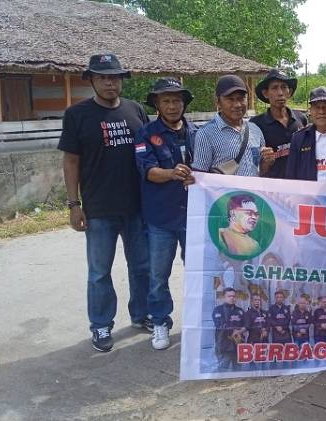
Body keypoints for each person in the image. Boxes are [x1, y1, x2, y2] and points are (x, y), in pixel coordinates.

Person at [58, 53, 152, 353]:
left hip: (137, 206)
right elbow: (71, 161)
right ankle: (101, 324)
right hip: (99, 209)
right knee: (99, 272)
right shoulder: (77, 115)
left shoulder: (135, 110)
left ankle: (142, 314)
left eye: (115, 77)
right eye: (103, 78)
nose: (110, 83)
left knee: (142, 266)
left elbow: (150, 151)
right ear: (92, 80)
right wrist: (73, 204)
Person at [133, 77, 197, 350]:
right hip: (161, 218)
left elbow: (209, 168)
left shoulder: (196, 133)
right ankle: (160, 322)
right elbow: (148, 171)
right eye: (166, 101)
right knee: (158, 276)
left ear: (184, 103)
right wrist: (171, 173)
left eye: (177, 100)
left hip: (194, 217)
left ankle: (197, 322)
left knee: (198, 272)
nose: (172, 106)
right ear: (157, 104)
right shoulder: (146, 134)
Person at [191, 74, 274, 176]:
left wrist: (266, 163)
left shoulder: (255, 130)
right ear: (218, 102)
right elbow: (200, 177)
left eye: (241, 98)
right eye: (230, 99)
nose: (237, 105)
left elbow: (259, 172)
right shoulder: (205, 134)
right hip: (223, 188)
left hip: (252, 187)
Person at [250, 69, 308, 178]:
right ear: (265, 93)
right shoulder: (255, 124)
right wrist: (265, 163)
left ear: (289, 92)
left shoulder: (301, 119)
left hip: (299, 184)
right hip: (271, 186)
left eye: (284, 87)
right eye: (274, 88)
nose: (280, 93)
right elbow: (252, 165)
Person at [212, 287, 246, 369]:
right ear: (224, 297)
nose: (232, 298)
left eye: (233, 296)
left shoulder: (240, 310)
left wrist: (240, 331)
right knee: (223, 369)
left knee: (238, 369)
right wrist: (233, 331)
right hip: (224, 345)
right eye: (229, 296)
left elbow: (246, 324)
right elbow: (220, 324)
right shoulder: (218, 310)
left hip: (238, 345)